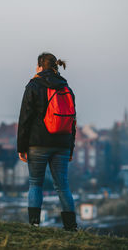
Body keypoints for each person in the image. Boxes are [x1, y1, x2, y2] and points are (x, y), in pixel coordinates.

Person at [17, 52, 78, 231]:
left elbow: (24, 119)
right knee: (63, 186)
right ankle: (71, 227)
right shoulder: (66, 87)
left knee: (35, 183)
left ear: (39, 66)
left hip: (38, 143)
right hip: (62, 144)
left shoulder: (34, 85)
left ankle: (34, 224)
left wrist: (21, 147)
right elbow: (72, 121)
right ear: (55, 66)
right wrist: (70, 148)